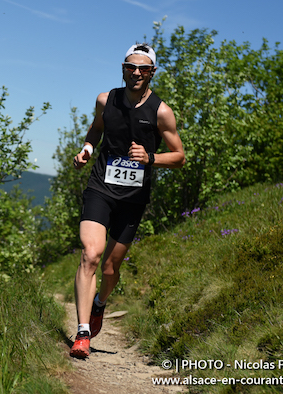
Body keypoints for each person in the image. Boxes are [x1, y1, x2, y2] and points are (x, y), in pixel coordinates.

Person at [69, 42, 186, 359]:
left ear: (152, 73)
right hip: (100, 187)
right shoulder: (106, 100)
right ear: (122, 69)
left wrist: (150, 157)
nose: (136, 73)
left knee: (109, 268)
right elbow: (96, 130)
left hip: (133, 198)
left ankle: (99, 303)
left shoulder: (161, 112)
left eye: (143, 68)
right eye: (130, 67)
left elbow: (179, 157)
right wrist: (88, 150)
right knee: (91, 255)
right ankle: (82, 334)